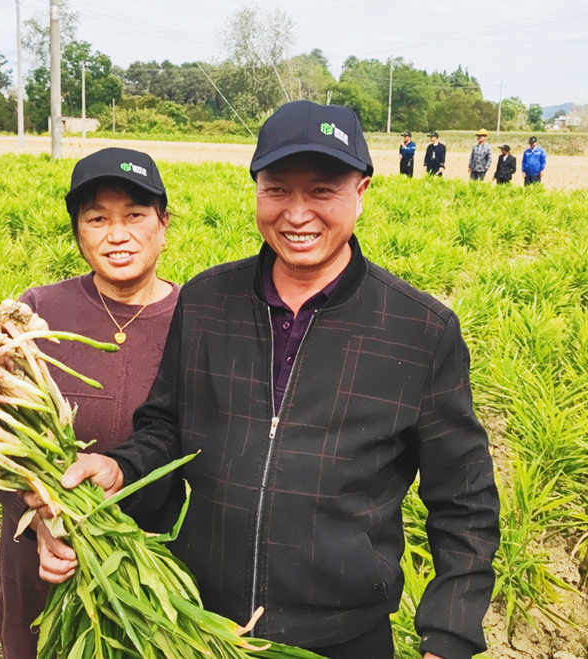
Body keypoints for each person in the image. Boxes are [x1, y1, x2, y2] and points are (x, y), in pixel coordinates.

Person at [30, 101, 500, 659]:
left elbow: (464, 501)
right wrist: (119, 466)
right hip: (200, 627)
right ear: (256, 189)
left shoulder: (419, 328)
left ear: (362, 191)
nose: (297, 214)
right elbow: (165, 429)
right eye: (277, 189)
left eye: (322, 190)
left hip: (343, 637)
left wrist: (448, 638)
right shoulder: (207, 301)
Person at [0, 147, 180, 659]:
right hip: (42, 565)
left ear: (163, 224)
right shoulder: (36, 312)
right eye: (97, 218)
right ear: (78, 232)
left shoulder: (196, 319)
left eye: (135, 216)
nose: (117, 235)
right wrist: (37, 525)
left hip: (148, 576)